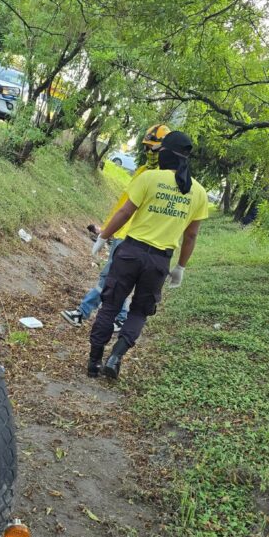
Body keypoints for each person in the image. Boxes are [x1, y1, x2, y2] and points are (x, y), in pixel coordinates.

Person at [87, 130, 208, 380]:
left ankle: (94, 361)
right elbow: (191, 236)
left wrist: (103, 236)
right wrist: (181, 267)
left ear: (165, 153)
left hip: (130, 253)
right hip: (159, 261)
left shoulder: (150, 178)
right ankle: (116, 356)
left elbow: (124, 213)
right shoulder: (199, 193)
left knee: (110, 305)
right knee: (139, 312)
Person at [61, 124, 172, 329]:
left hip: (134, 238)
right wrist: (106, 230)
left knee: (109, 278)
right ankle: (120, 318)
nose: (149, 152)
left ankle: (82, 312)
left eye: (153, 148)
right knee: (116, 280)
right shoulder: (142, 171)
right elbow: (123, 205)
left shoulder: (163, 179)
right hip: (122, 233)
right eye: (146, 148)